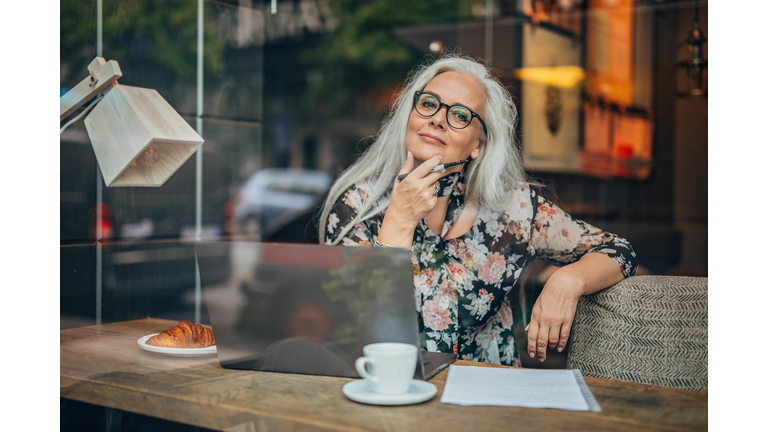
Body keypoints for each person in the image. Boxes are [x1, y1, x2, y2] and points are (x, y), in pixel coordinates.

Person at [318, 55, 637, 366]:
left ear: (478, 145)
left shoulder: (514, 210)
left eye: (459, 115)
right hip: (392, 395)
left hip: (487, 403)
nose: (437, 119)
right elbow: (356, 330)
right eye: (429, 104)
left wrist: (569, 280)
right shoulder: (357, 206)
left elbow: (619, 251)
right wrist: (399, 221)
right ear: (410, 116)